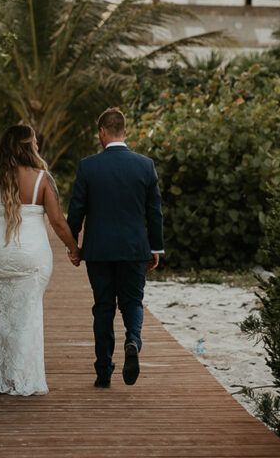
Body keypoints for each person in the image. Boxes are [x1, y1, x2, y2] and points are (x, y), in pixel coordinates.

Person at [0, 123, 80, 395]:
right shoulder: (43, 179)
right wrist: (73, 247)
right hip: (33, 256)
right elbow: (59, 222)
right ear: (29, 146)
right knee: (26, 315)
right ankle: (18, 376)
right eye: (34, 142)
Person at [67, 107, 164, 389]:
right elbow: (154, 212)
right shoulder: (145, 165)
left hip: (98, 251)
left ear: (102, 132)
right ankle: (133, 340)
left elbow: (77, 210)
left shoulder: (88, 166)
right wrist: (155, 248)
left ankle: (103, 372)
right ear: (125, 131)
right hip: (135, 249)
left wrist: (73, 245)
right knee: (132, 302)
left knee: (104, 308)